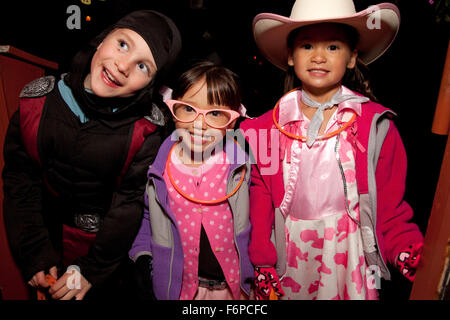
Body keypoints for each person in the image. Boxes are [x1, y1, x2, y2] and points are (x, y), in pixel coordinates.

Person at [239, 0, 424, 300]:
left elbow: (389, 205)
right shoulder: (267, 130)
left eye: (333, 47)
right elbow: (259, 197)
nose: (319, 57)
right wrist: (262, 260)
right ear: (290, 56)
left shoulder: (375, 127)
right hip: (289, 257)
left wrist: (405, 247)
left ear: (352, 58)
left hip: (347, 257)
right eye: (307, 46)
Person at [2, 10, 181, 300]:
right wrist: (34, 253)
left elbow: (129, 206)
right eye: (122, 44)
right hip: (45, 240)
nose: (122, 66)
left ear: (150, 84)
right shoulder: (38, 103)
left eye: (142, 67)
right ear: (102, 39)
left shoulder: (146, 132)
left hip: (104, 257)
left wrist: (91, 270)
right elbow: (20, 181)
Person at [129, 61, 253, 300]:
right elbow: (146, 216)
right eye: (188, 109)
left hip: (234, 289)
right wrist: (143, 256)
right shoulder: (158, 168)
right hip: (180, 290)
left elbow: (258, 220)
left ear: (233, 120)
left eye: (215, 114)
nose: (199, 124)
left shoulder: (241, 167)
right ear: (173, 109)